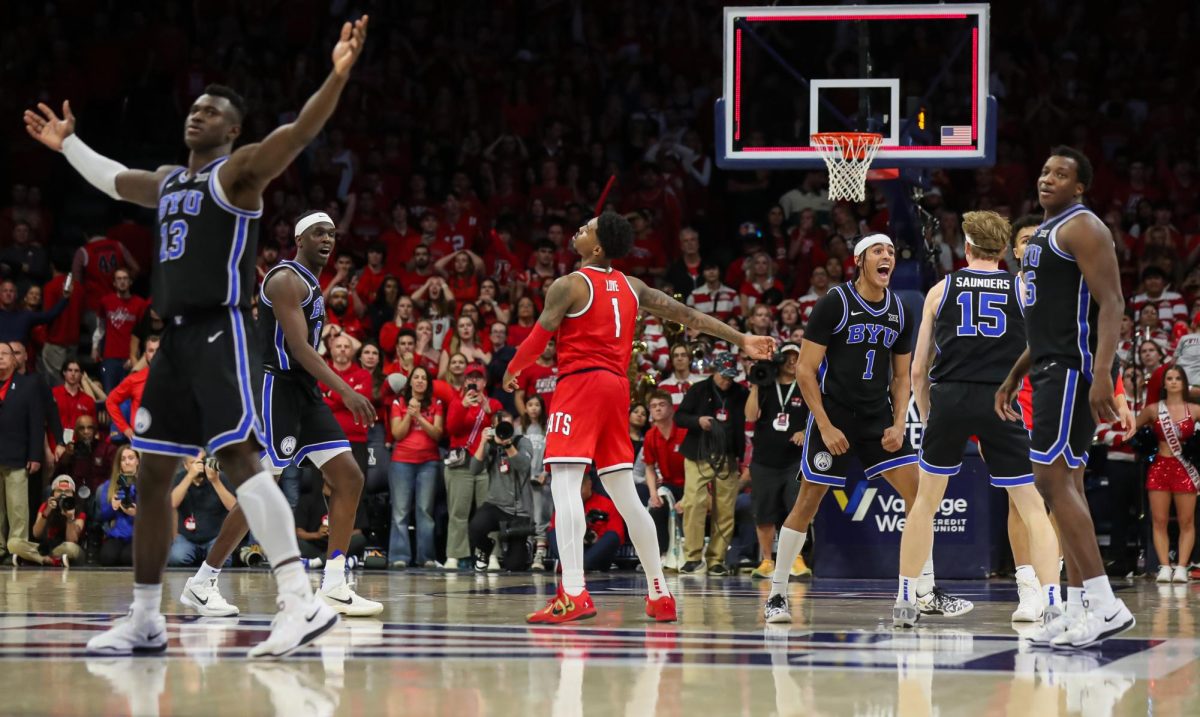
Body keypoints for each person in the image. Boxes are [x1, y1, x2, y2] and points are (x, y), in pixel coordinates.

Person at [25, 14, 370, 657]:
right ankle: (146, 617)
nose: (197, 114)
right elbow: (112, 178)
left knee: (240, 458)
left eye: (212, 111)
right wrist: (68, 144)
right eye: (196, 106)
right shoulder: (169, 180)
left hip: (222, 330)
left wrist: (337, 74)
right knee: (154, 472)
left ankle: (300, 604)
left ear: (232, 129)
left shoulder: (237, 173)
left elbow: (297, 133)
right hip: (175, 339)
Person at [503, 211, 775, 624]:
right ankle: (660, 594)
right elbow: (690, 318)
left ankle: (573, 592)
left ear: (596, 247)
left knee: (564, 483)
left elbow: (539, 336)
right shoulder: (632, 286)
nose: (579, 228)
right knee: (625, 493)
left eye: (586, 227)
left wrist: (513, 369)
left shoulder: (568, 285)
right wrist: (742, 339)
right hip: (616, 389)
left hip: (580, 386)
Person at [180, 212, 381, 619]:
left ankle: (335, 584)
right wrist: (345, 388)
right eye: (318, 234)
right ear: (300, 238)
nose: (327, 240)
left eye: (332, 234)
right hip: (277, 391)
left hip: (302, 390)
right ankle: (201, 583)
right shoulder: (284, 279)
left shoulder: (311, 280)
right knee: (261, 491)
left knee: (349, 476)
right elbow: (299, 348)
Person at [764, 234, 972, 624]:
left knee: (920, 496)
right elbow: (806, 370)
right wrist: (824, 426)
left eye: (892, 252)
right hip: (836, 415)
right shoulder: (835, 303)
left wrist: (897, 422)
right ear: (860, 260)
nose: (887, 257)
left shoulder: (899, 310)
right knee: (807, 503)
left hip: (877, 418)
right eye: (879, 251)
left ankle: (922, 590)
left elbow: (901, 377)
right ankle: (777, 594)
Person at [995, 146, 1136, 648]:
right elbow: (1048, 325)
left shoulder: (1083, 226)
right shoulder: (1043, 236)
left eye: (1061, 173)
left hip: (1072, 373)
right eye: (1044, 169)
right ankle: (1077, 607)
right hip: (1050, 366)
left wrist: (1103, 374)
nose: (1047, 178)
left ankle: (1106, 604)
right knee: (1066, 484)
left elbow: (1112, 301)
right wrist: (1015, 375)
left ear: (1079, 187)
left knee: (1051, 480)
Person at [895, 211, 1061, 628]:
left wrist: (930, 410)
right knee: (1031, 506)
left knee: (924, 505)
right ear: (1004, 250)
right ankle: (1053, 601)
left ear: (966, 248)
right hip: (1001, 396)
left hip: (950, 395)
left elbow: (917, 369)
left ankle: (903, 600)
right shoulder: (1022, 288)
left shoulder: (940, 289)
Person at [674, 353, 749, 576]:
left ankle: (717, 558)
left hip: (727, 456)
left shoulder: (740, 393)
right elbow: (679, 417)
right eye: (724, 376)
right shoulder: (698, 390)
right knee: (694, 504)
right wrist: (698, 421)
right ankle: (693, 557)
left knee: (725, 509)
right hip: (698, 454)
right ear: (714, 371)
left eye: (730, 377)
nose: (727, 381)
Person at [744, 342, 810, 580]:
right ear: (780, 360)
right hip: (764, 460)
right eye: (789, 357)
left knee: (796, 509)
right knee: (764, 512)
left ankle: (796, 558)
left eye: (797, 357)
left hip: (793, 460)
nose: (793, 361)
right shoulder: (766, 385)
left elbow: (817, 415)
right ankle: (766, 560)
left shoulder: (805, 385)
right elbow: (750, 416)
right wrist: (754, 386)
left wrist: (805, 431)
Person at [1134, 365, 1199, 583]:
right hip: (1159, 467)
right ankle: (1164, 566)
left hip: (1184, 469)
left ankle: (1181, 567)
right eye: (1169, 378)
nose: (1173, 382)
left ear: (1184, 382)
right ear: (1163, 383)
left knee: (1186, 521)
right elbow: (1130, 429)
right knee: (1159, 521)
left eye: (1177, 378)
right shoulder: (1153, 409)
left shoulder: (1195, 409)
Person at [444, 364, 502, 569]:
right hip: (461, 463)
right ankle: (454, 554)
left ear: (484, 382)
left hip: (486, 464)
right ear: (465, 381)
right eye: (471, 378)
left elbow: (501, 433)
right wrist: (463, 406)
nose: (475, 382)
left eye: (479, 379)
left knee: (488, 512)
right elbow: (451, 428)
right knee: (458, 511)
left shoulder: (493, 404)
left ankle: (491, 555)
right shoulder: (456, 402)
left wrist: (489, 413)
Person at [388, 365, 444, 569]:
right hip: (402, 461)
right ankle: (398, 556)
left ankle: (426, 557)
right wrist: (409, 414)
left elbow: (438, 434)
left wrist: (420, 415)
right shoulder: (398, 402)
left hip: (429, 462)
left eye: (424, 378)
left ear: (428, 383)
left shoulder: (436, 403)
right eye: (416, 377)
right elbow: (397, 434)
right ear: (409, 381)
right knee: (400, 511)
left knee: (425, 511)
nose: (420, 381)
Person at [468, 410, 535, 571]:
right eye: (501, 426)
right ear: (493, 427)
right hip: (495, 504)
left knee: (515, 566)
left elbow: (523, 465)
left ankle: (524, 545)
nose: (505, 429)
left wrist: (508, 444)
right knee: (475, 527)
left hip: (519, 509)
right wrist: (482, 442)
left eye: (508, 424)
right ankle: (486, 548)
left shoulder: (522, 442)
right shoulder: (490, 444)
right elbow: (473, 470)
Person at [0, 342, 45, 565]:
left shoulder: (27, 385)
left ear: (15, 360)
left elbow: (36, 423)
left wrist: (35, 455)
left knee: (17, 508)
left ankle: (17, 547)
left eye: (5, 354)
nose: (0, 357)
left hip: (17, 456)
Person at [168, 453, 236, 568]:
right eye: (194, 462)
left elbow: (233, 507)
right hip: (187, 537)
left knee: (223, 561)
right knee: (175, 558)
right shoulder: (179, 478)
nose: (199, 466)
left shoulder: (220, 477)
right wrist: (189, 477)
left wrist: (215, 481)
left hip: (215, 536)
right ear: (185, 466)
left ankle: (208, 560)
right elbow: (172, 503)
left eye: (201, 462)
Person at [640, 391, 687, 559]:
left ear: (671, 408)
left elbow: (696, 468)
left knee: (689, 509)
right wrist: (653, 494)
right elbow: (649, 468)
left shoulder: (684, 431)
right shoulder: (650, 436)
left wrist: (688, 497)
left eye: (662, 405)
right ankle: (662, 555)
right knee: (656, 508)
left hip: (691, 484)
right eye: (653, 406)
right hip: (668, 484)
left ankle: (690, 557)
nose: (657, 409)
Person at [104, 335, 159, 442]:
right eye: (151, 351)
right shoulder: (134, 379)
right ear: (145, 355)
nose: (155, 354)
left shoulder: (174, 380)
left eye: (158, 351)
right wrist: (125, 429)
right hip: (141, 440)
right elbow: (111, 401)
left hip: (166, 440)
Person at [517, 395, 550, 570]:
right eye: (530, 404)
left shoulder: (547, 429)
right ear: (525, 408)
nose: (534, 408)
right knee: (525, 516)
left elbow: (551, 452)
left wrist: (545, 472)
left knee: (540, 517)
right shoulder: (520, 428)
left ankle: (540, 555)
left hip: (541, 480)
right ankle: (527, 552)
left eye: (537, 404)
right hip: (524, 480)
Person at [96, 446, 139, 567]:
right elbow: (102, 516)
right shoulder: (109, 485)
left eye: (131, 458)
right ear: (119, 463)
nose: (127, 462)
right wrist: (113, 507)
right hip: (118, 534)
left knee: (128, 558)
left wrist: (137, 513)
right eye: (123, 459)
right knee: (107, 558)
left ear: (137, 461)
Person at [31, 475, 84, 566]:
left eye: (67, 491)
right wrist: (47, 512)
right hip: (45, 546)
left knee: (72, 549)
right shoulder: (46, 506)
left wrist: (70, 518)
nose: (63, 494)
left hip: (64, 547)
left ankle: (36, 558)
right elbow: (36, 534)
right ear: (53, 493)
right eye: (59, 491)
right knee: (14, 543)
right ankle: (54, 560)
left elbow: (72, 541)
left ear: (73, 494)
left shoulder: (78, 510)